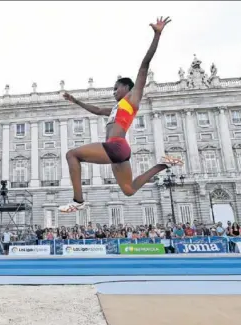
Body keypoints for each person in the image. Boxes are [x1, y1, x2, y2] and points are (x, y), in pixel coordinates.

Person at [59, 16, 182, 213]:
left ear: (126, 87)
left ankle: (78, 200)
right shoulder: (116, 109)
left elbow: (144, 65)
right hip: (121, 153)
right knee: (129, 190)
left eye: (116, 89)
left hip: (116, 146)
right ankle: (163, 165)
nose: (114, 92)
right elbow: (97, 110)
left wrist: (157, 35)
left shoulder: (132, 99)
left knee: (72, 155)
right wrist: (75, 101)